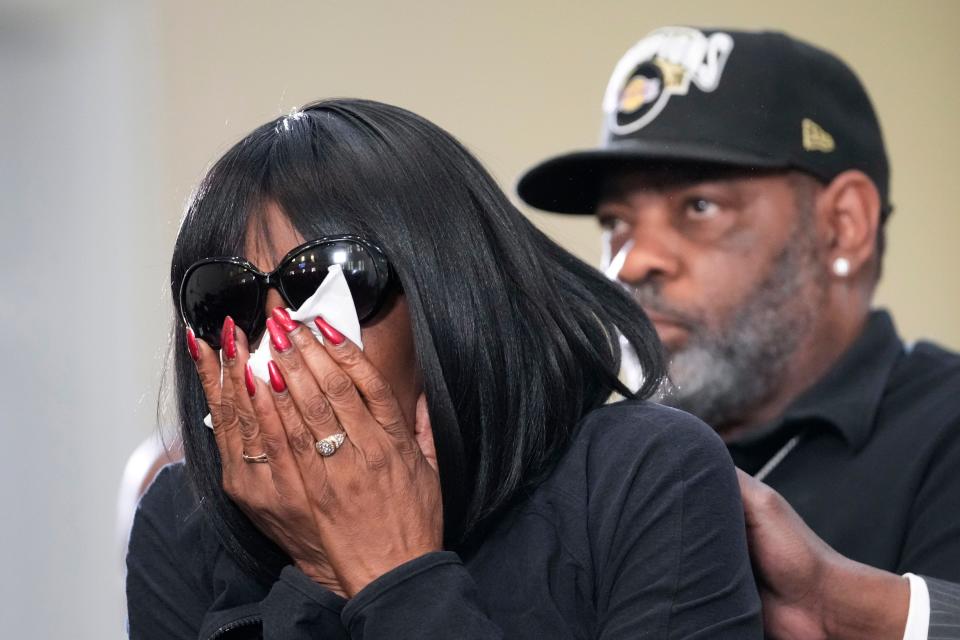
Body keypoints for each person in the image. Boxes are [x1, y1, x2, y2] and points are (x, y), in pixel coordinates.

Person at [125, 99, 763, 638]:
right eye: (225, 299)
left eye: (326, 281)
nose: (277, 344)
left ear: (448, 290)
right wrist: (318, 574)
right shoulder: (181, 521)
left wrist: (396, 575)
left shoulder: (644, 472)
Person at [517, 27, 960, 640]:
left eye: (699, 207)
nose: (631, 261)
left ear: (843, 226)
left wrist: (851, 608)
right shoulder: (574, 450)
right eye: (616, 222)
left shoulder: (946, 428)